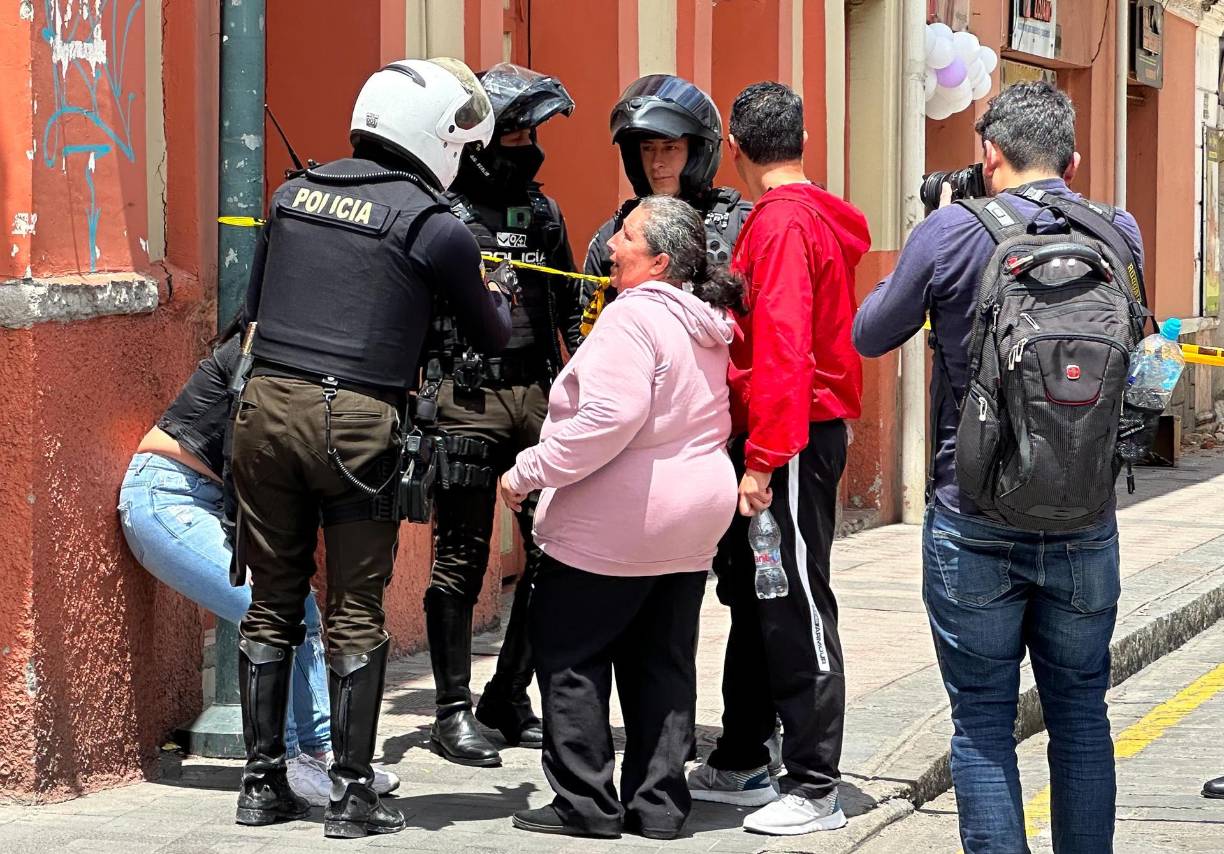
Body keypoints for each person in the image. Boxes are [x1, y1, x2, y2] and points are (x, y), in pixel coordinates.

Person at [853, 82, 1144, 853]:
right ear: (1073, 162)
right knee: (1081, 710)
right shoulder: (1119, 231)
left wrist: (933, 231)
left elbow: (869, 333)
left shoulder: (951, 230)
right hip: (1085, 519)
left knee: (982, 718)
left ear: (988, 155)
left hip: (972, 515)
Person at [230, 58, 512, 839]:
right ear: (435, 138)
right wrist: (491, 285)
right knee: (354, 611)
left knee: (272, 599)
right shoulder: (434, 224)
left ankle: (260, 787)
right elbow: (491, 332)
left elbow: (254, 310)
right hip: (357, 421)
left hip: (263, 408)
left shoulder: (292, 195)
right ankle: (352, 800)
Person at [501, 195, 739, 840]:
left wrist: (527, 473)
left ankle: (585, 804)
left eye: (626, 236)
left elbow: (606, 419)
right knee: (661, 660)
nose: (611, 244)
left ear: (659, 261)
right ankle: (658, 806)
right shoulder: (703, 320)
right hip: (694, 515)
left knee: (571, 653)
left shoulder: (633, 318)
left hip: (623, 516)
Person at [686, 81, 870, 836]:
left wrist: (762, 460)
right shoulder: (795, 215)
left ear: (733, 148)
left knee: (794, 602)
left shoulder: (785, 224)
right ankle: (746, 760)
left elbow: (787, 347)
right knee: (766, 596)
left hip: (790, 434)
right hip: (789, 431)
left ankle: (816, 781)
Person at [117, 320, 399, 808]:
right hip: (166, 496)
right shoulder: (263, 345)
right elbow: (237, 456)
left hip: (211, 500)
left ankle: (322, 755)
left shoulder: (303, 345)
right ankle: (293, 761)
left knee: (298, 609)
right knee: (276, 608)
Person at [423, 62, 583, 769]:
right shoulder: (442, 210)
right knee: (460, 559)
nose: (528, 144)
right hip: (464, 396)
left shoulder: (545, 215)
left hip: (538, 396)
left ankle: (508, 694)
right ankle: (451, 712)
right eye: (515, 131)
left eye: (531, 132)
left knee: (556, 552)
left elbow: (575, 311)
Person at [579, 74, 752, 332]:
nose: (657, 162)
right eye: (648, 149)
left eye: (670, 148)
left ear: (697, 152)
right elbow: (589, 333)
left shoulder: (741, 224)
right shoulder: (615, 234)